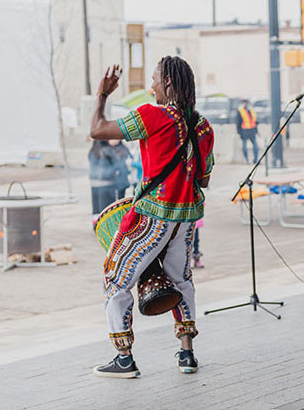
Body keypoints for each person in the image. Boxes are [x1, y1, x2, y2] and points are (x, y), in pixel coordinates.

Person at [89, 57, 214, 378]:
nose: (151, 86)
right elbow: (203, 180)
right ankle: (187, 354)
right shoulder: (203, 126)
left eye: (155, 79)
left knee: (115, 280)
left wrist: (102, 95)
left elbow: (97, 130)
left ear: (168, 83)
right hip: (185, 219)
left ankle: (124, 358)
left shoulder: (151, 116)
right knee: (182, 280)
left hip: (151, 217)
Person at [88, 140, 118, 222]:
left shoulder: (92, 150)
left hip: (94, 184)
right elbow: (117, 165)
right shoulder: (108, 150)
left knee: (96, 208)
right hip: (107, 184)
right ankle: (106, 230)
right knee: (107, 210)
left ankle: (96, 227)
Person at [236, 99, 259, 163]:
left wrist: (256, 130)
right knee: (244, 148)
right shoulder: (240, 111)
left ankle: (256, 160)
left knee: (256, 146)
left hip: (252, 131)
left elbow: (254, 121)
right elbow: (238, 122)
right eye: (244, 103)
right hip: (244, 131)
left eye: (246, 103)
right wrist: (239, 131)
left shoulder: (251, 110)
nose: (245, 104)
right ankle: (246, 160)